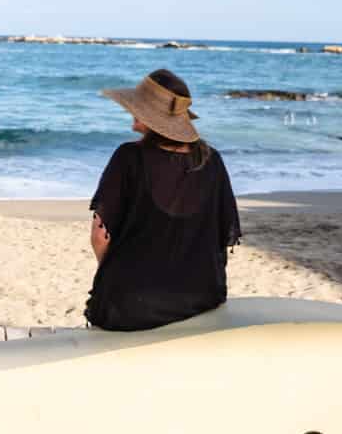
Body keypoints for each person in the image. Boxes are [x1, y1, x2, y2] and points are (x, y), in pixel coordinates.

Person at [85, 68, 241, 331]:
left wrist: (111, 274)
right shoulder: (212, 160)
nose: (131, 114)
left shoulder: (128, 157)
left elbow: (100, 235)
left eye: (137, 109)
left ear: (153, 118)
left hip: (132, 306)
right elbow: (221, 236)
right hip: (201, 297)